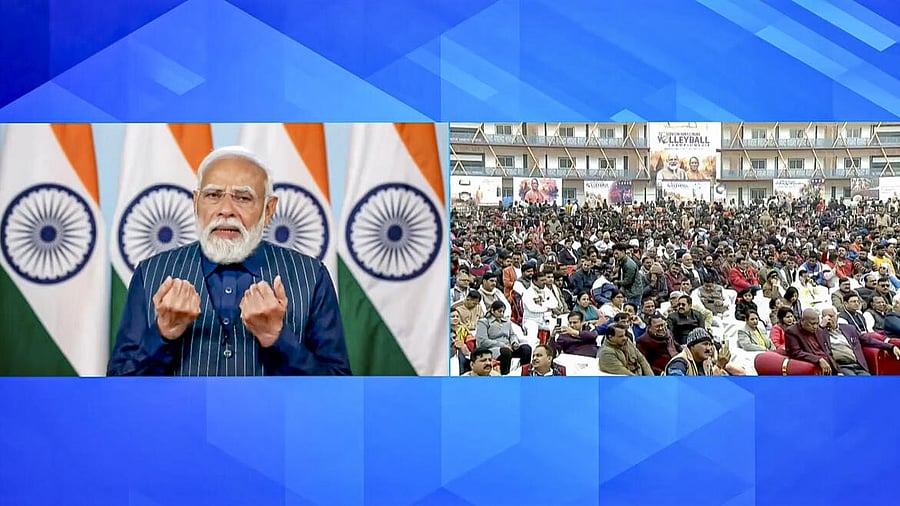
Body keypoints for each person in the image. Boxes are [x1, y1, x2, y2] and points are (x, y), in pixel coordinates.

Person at [108, 146, 351, 376]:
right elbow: (118, 386)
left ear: (268, 210)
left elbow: (337, 389)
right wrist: (163, 334)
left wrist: (278, 338)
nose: (226, 210)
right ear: (196, 203)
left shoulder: (311, 276)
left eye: (243, 198)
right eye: (213, 195)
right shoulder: (151, 273)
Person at [476, 300, 532, 375]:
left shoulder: (507, 322)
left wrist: (514, 342)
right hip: (493, 348)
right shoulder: (484, 322)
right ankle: (504, 375)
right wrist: (502, 345)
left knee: (526, 349)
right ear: (492, 311)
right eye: (499, 311)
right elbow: (483, 341)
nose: (502, 313)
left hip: (509, 347)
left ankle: (524, 373)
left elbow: (512, 335)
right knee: (506, 352)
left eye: (503, 311)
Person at [663, 328, 730, 376]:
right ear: (692, 346)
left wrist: (720, 366)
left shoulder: (706, 362)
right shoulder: (679, 363)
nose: (709, 348)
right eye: (705, 344)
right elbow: (677, 387)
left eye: (710, 345)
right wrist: (718, 366)